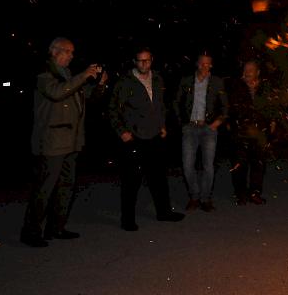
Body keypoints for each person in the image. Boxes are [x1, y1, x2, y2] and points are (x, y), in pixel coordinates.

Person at [21, 37, 108, 247]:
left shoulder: (67, 75)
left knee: (66, 186)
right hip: (52, 141)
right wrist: (84, 75)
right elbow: (57, 93)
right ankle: (31, 231)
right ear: (53, 51)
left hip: (72, 141)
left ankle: (56, 227)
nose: (71, 55)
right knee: (45, 187)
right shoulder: (45, 75)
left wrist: (100, 85)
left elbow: (85, 97)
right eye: (67, 51)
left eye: (72, 52)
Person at [108, 47, 184, 231]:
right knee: (131, 180)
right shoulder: (125, 83)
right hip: (134, 137)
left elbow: (160, 105)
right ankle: (127, 219)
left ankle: (164, 212)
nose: (144, 64)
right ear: (134, 61)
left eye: (147, 60)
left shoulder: (157, 78)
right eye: (140, 60)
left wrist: (163, 125)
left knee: (158, 177)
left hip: (155, 135)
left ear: (152, 60)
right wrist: (122, 131)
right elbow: (113, 110)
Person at [174, 52, 228, 212]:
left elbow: (225, 106)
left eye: (208, 64)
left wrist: (216, 123)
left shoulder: (217, 82)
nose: (205, 66)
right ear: (197, 64)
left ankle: (205, 199)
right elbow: (176, 102)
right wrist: (182, 123)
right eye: (202, 63)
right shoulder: (186, 81)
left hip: (208, 128)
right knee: (187, 165)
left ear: (211, 65)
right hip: (190, 128)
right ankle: (194, 196)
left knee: (208, 166)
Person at [228, 60, 279, 205]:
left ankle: (255, 192)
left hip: (260, 132)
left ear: (257, 72)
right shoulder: (237, 86)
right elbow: (230, 107)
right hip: (241, 132)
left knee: (258, 164)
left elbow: (272, 106)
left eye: (250, 70)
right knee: (239, 164)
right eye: (245, 69)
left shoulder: (265, 87)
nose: (247, 72)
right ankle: (240, 193)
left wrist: (272, 124)